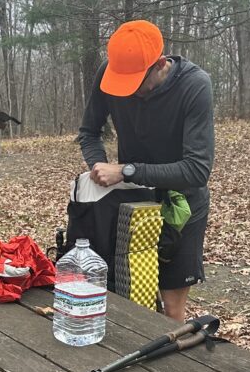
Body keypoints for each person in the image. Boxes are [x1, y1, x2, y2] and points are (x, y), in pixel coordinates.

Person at [76, 19, 214, 320]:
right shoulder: (109, 74)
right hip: (133, 204)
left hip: (182, 206)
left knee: (171, 311)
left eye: (136, 83)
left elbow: (197, 170)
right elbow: (88, 133)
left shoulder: (194, 86)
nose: (128, 91)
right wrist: (99, 169)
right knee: (130, 299)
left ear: (160, 64)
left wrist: (126, 170)